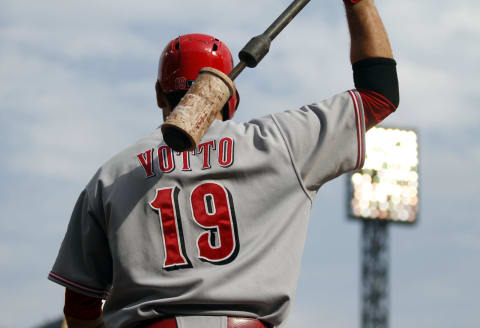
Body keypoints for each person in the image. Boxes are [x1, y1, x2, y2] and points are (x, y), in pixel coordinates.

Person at [48, 0, 399, 327]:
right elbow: (380, 95)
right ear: (234, 98)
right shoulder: (278, 142)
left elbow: (79, 304)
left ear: (159, 94)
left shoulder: (112, 175)